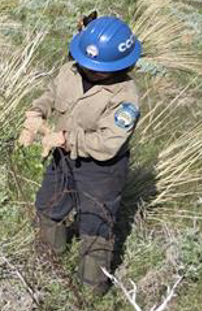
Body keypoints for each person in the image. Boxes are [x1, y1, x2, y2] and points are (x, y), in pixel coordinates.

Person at [18, 16, 141, 295]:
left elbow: (109, 143)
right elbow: (51, 95)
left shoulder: (125, 96)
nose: (89, 70)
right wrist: (37, 113)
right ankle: (50, 260)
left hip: (102, 170)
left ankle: (91, 290)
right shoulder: (70, 70)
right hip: (63, 159)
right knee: (49, 206)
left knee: (95, 225)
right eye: (86, 63)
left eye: (98, 70)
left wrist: (65, 139)